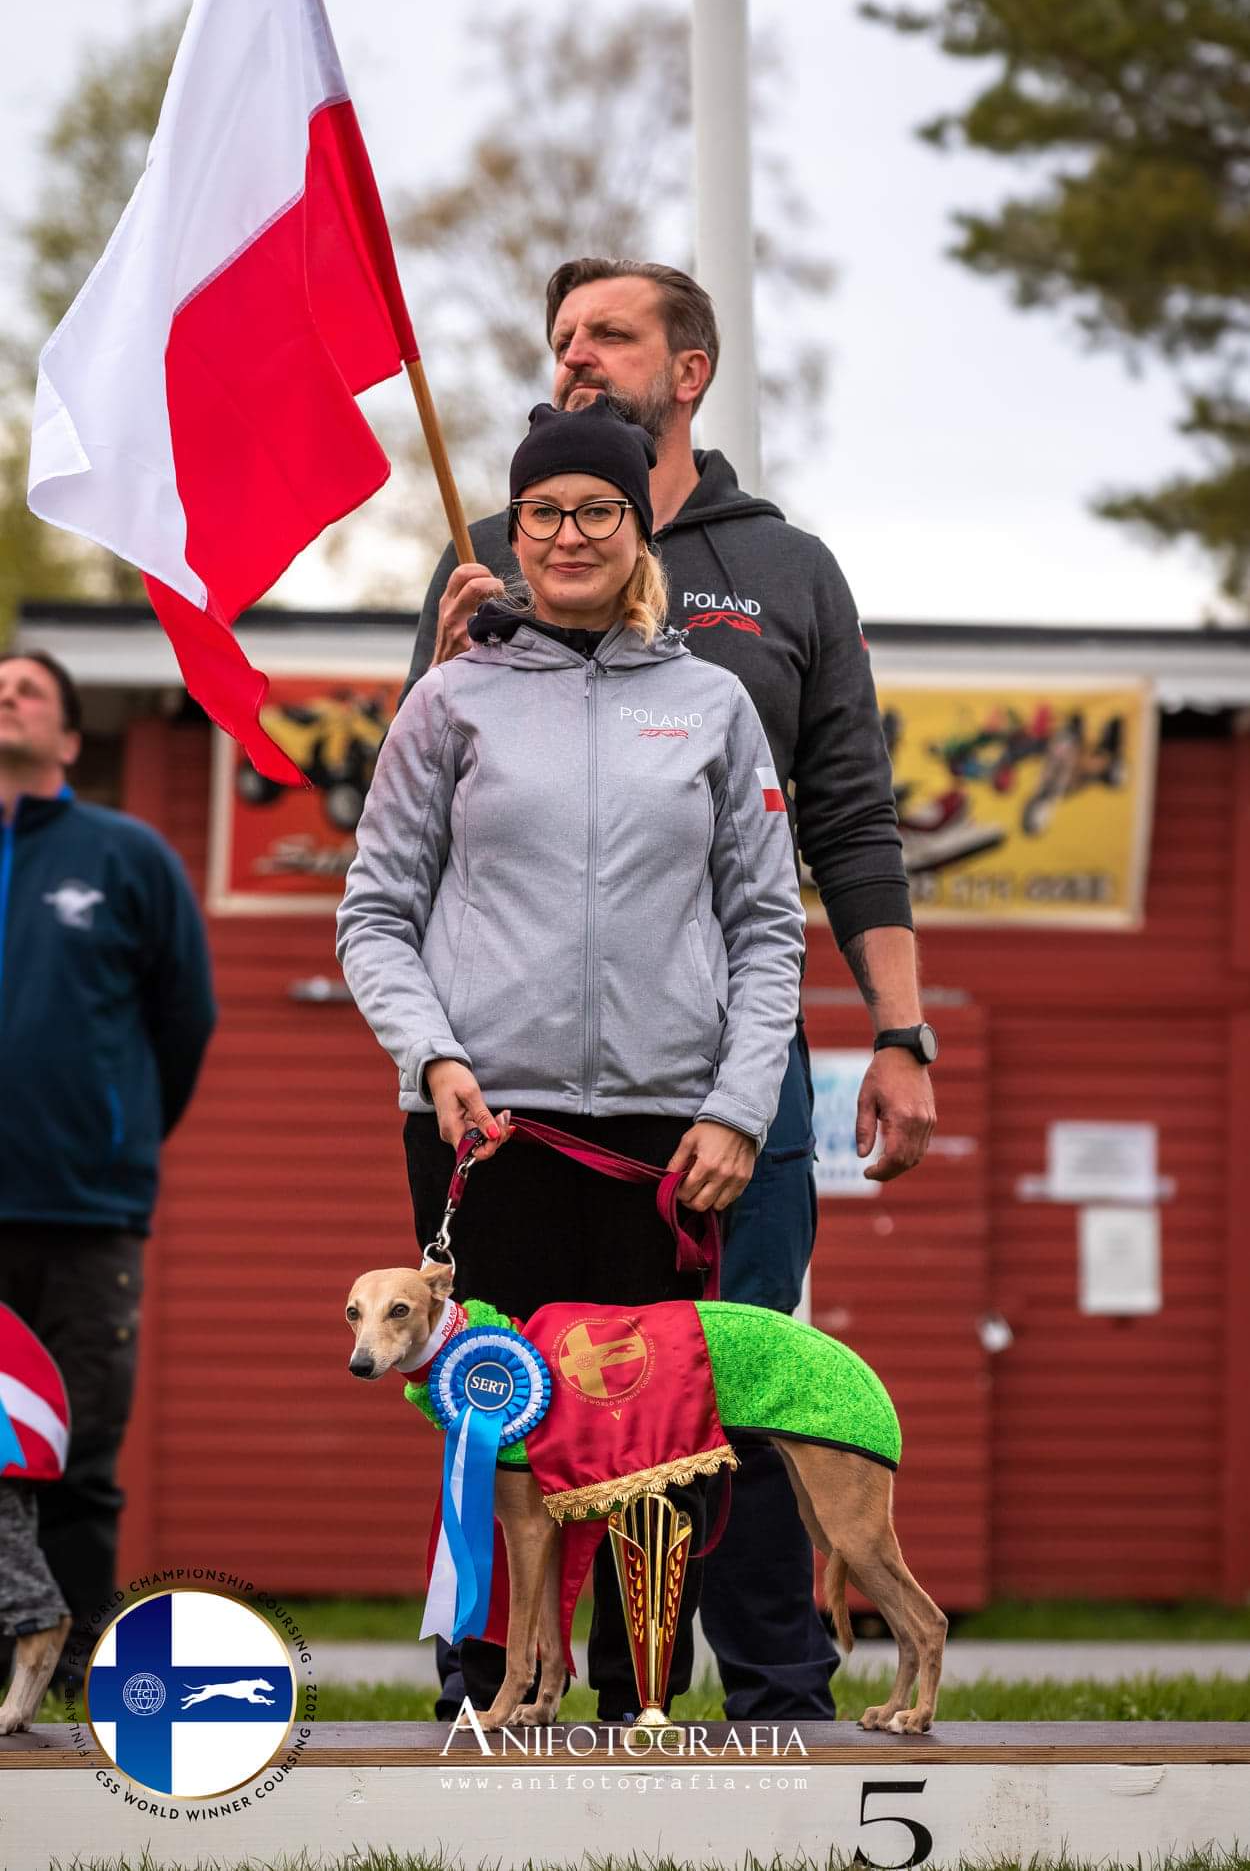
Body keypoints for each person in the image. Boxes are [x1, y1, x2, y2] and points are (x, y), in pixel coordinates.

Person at [403, 259, 937, 1722]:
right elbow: (416, 828)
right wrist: (447, 659)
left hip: (725, 1071)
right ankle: (493, 1685)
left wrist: (897, 1033)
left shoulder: (785, 570)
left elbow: (849, 820)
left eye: (608, 336)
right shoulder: (485, 551)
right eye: (560, 338)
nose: (573, 359)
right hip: (530, 1091)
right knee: (503, 1391)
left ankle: (773, 1690)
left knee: (743, 1373)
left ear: (685, 369)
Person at [337, 397, 805, 1720]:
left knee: (650, 1443)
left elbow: (769, 928)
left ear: (635, 527)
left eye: (597, 507)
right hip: (485, 1125)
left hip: (669, 1140)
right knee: (497, 1432)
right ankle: (480, 1693)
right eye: (542, 509)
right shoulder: (450, 700)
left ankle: (636, 1696)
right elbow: (374, 911)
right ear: (514, 526)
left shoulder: (712, 704)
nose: (568, 533)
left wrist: (733, 1106)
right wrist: (432, 1056)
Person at [0, 651, 216, 1685]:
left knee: (77, 1452)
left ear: (72, 739)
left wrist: (117, 1132)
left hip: (85, 1212)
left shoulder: (125, 855)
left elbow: (186, 1019)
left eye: (30, 688)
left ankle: (83, 1669)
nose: (7, 695)